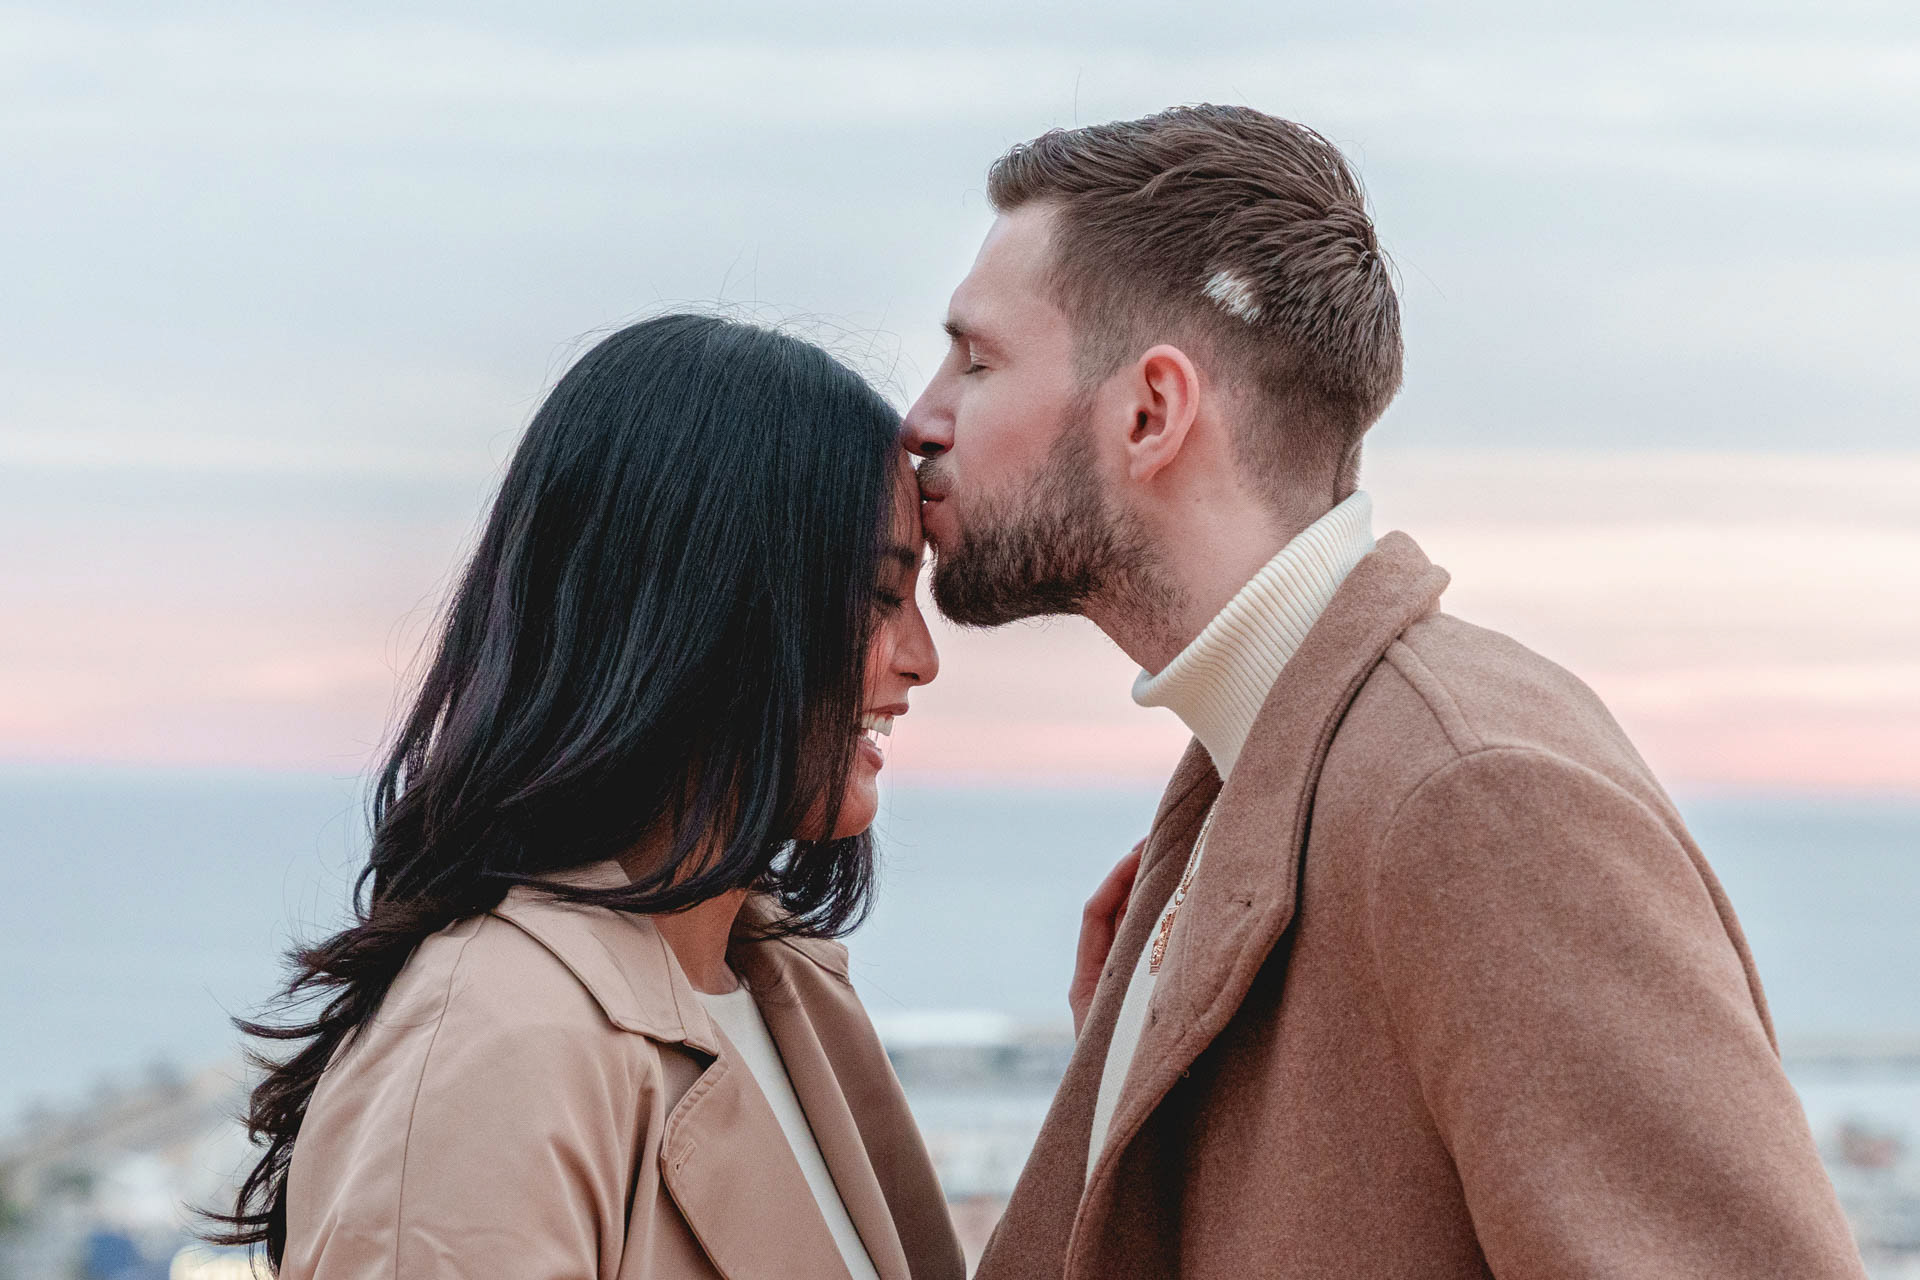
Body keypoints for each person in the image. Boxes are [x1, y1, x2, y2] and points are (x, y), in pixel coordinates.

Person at [902, 106, 1867, 1278]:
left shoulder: (1478, 794)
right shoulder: (1262, 778)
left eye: (978, 358)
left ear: (1151, 412)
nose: (923, 417)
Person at [212, 314, 965, 1280]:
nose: (923, 658)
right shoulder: (496, 1040)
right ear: (707, 605)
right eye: (876, 596)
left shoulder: (788, 991)